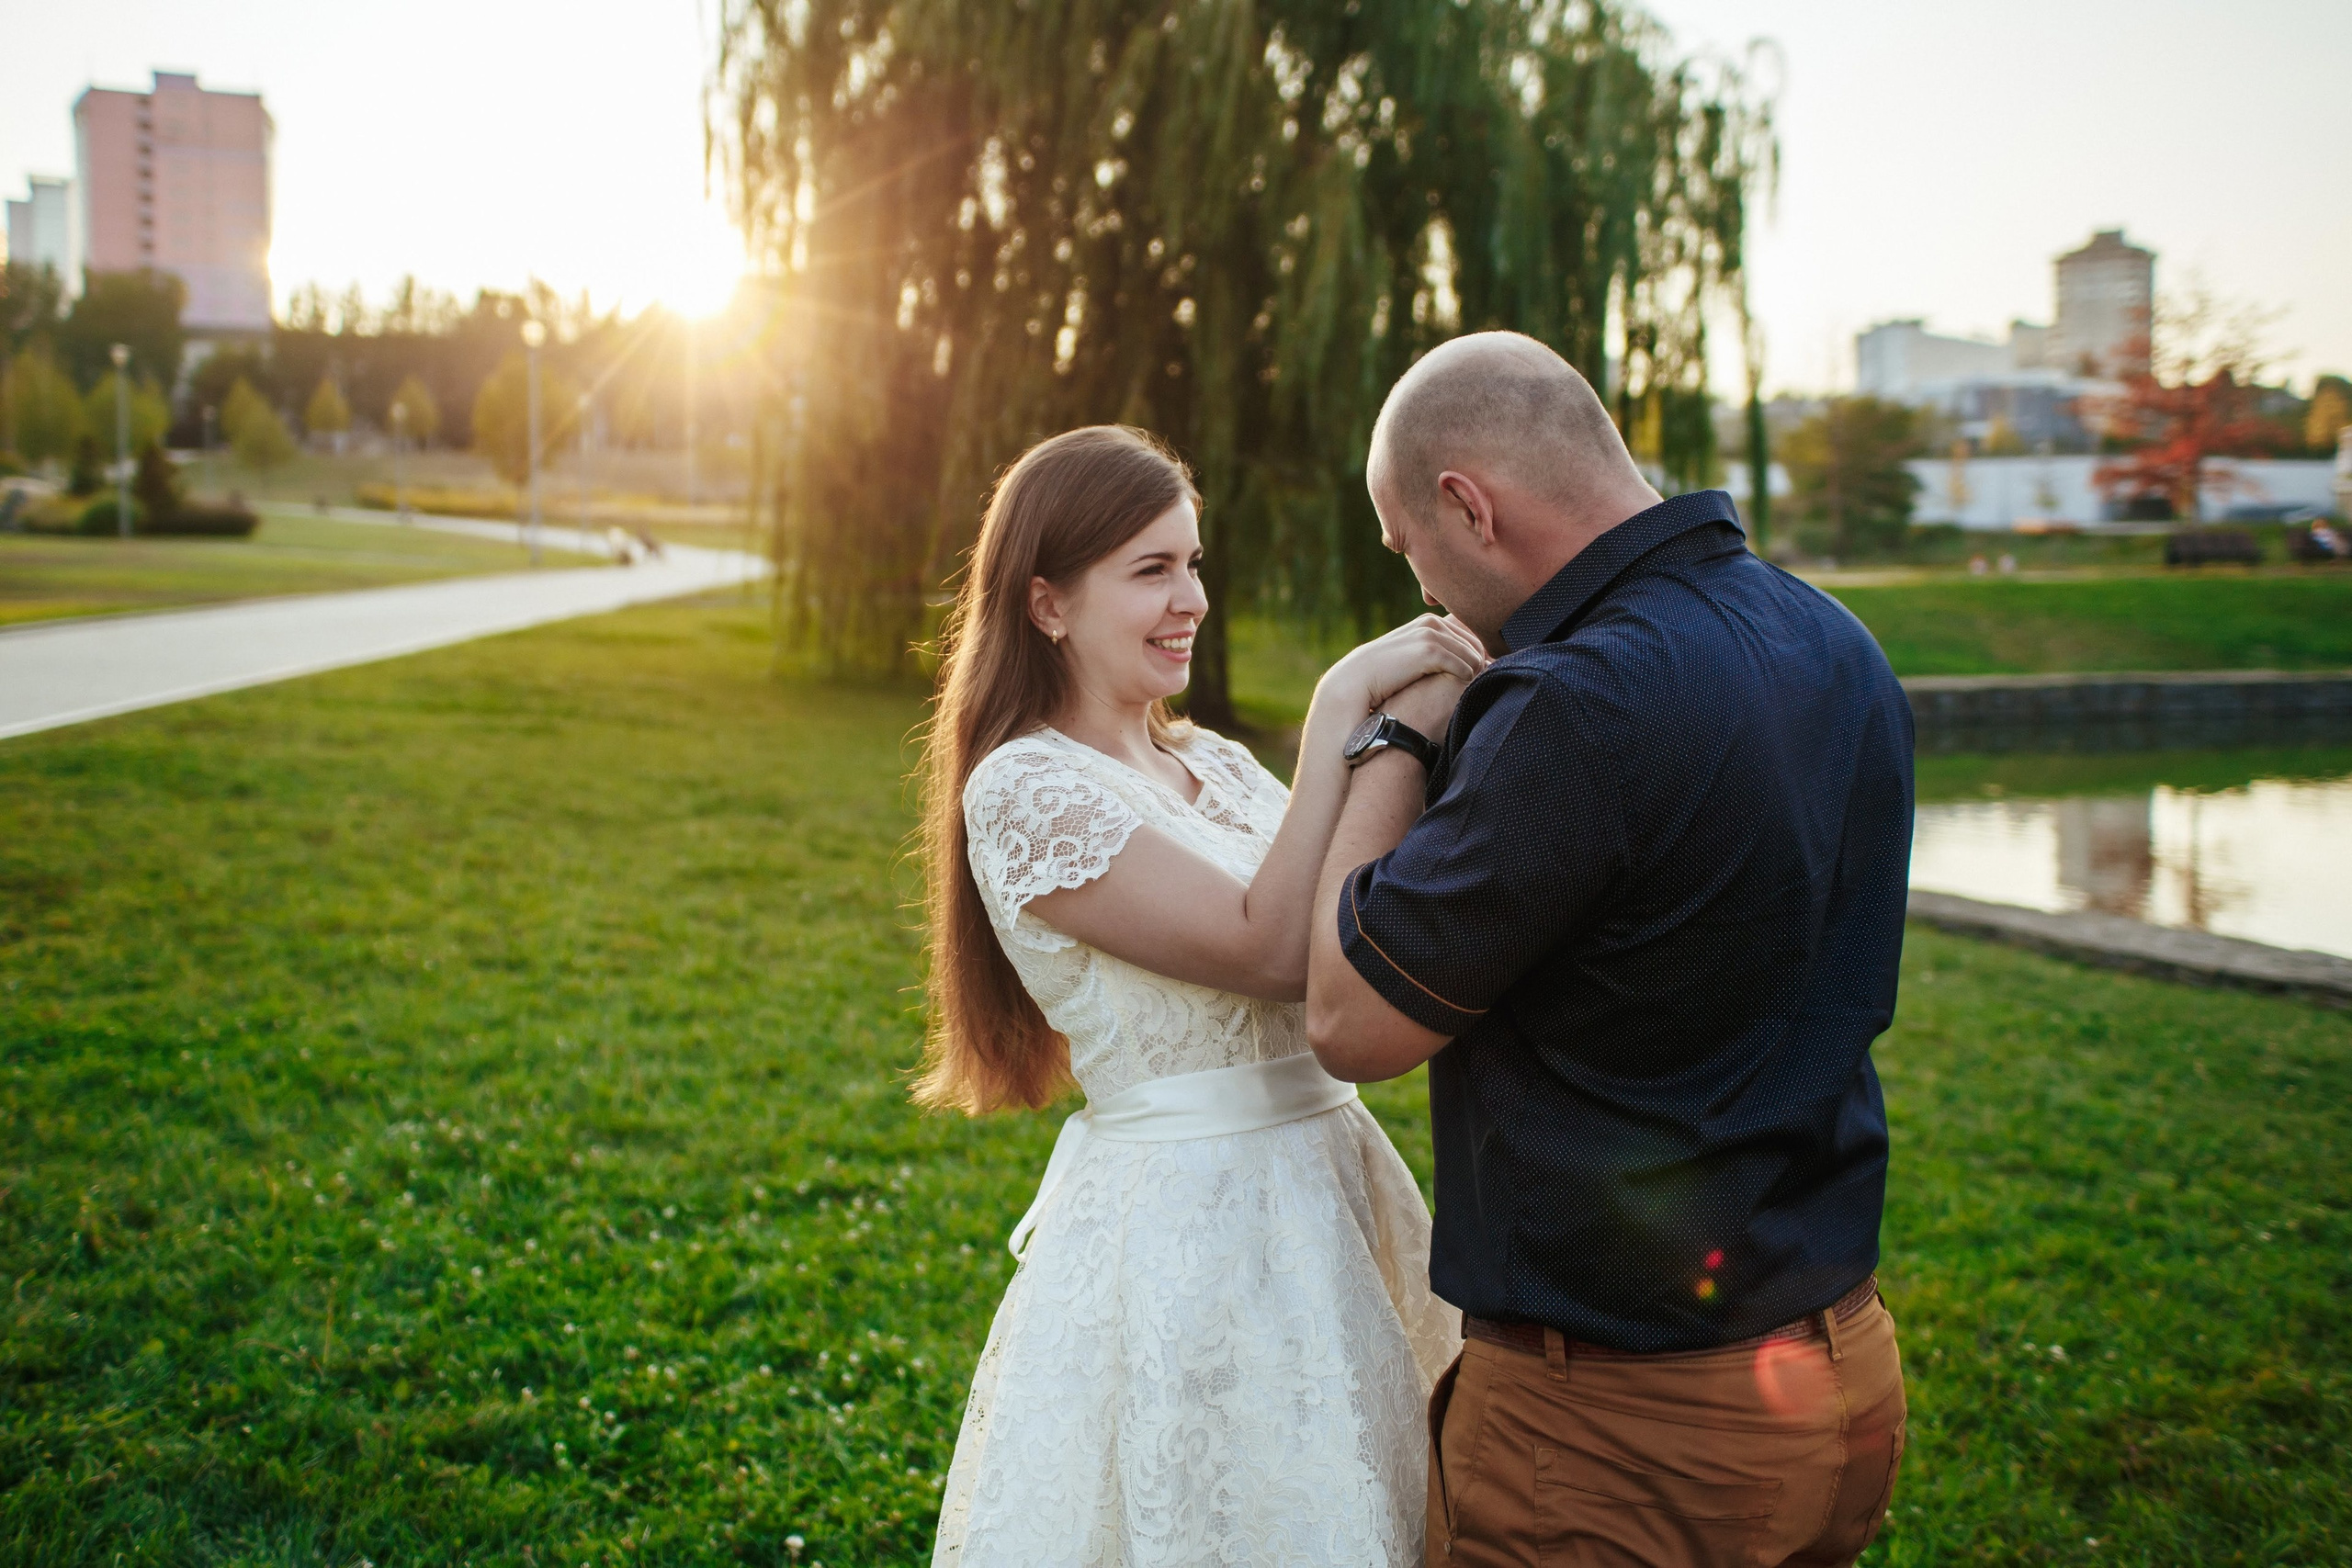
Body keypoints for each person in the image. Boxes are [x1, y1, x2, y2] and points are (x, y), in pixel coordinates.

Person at [1305, 332, 1915, 1567]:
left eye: (1408, 547)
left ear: (1466, 506)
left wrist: (1396, 742)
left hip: (1619, 1433)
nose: (1421, 590)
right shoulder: (1833, 640)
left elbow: (1351, 1019)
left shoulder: (1574, 700)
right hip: (1835, 1368)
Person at [918, 424, 1476, 1566]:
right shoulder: (1025, 788)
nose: (1192, 600)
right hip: (1191, 1227)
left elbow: (1348, 908)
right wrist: (1343, 715)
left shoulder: (1214, 762)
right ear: (1047, 604)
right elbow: (1273, 947)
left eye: (1194, 562)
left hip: (1331, 1184)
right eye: (1150, 570)